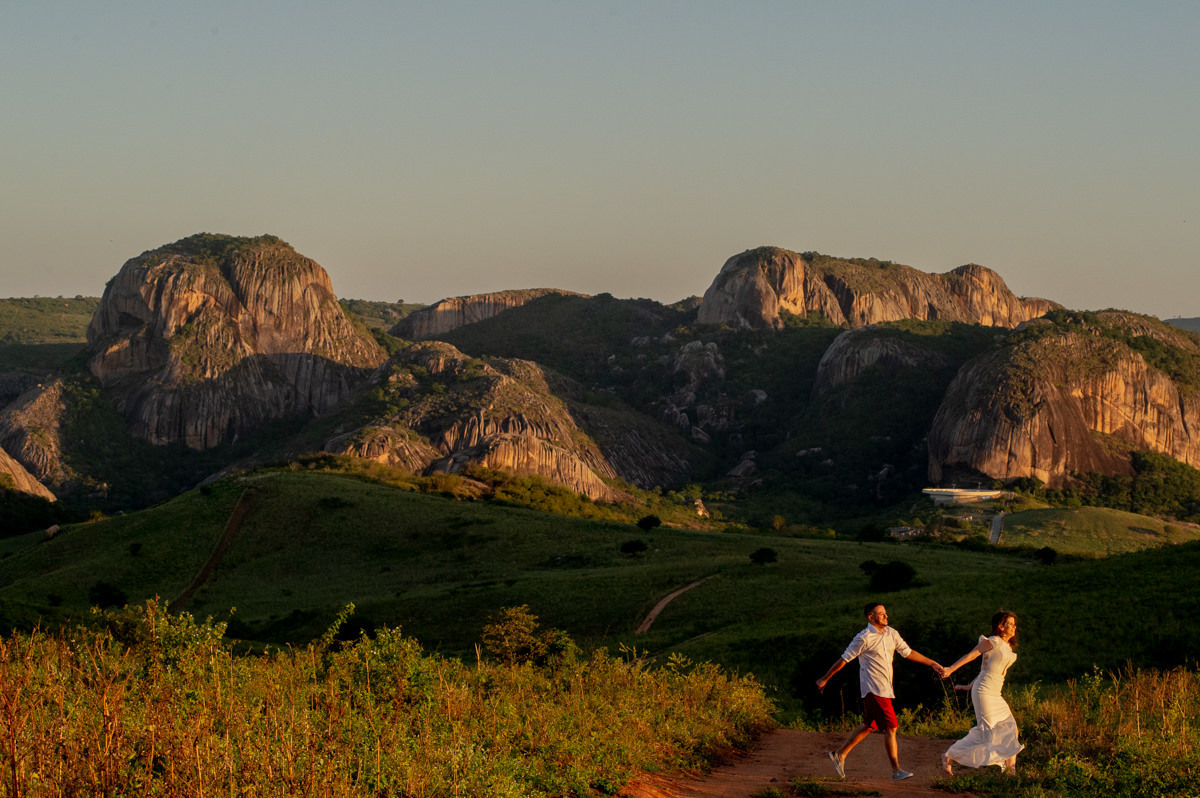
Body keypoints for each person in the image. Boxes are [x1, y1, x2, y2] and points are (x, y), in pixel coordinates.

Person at [816, 602, 945, 782]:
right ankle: (896, 770)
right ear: (871, 617)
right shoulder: (863, 637)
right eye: (881, 613)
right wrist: (825, 678)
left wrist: (932, 663)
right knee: (891, 727)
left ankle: (839, 754)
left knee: (870, 724)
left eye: (885, 613)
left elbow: (907, 652)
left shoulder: (892, 633)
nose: (885, 616)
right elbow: (844, 659)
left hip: (885, 689)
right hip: (873, 689)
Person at [940, 611, 1024, 776]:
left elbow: (985, 670)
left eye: (1014, 624)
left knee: (1012, 730)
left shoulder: (1006, 647)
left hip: (995, 693)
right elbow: (971, 656)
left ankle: (1011, 772)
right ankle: (949, 755)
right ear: (1000, 626)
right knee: (986, 732)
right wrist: (950, 669)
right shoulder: (993, 641)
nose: (1014, 627)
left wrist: (968, 686)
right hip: (984, 692)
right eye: (1010, 624)